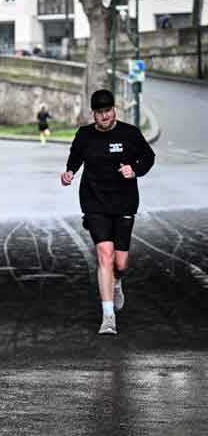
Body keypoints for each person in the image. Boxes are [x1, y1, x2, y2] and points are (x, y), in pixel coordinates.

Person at [61, 89, 155, 335]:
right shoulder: (84, 136)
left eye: (108, 111)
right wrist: (69, 172)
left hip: (124, 202)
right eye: (99, 113)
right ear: (94, 114)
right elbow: (75, 157)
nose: (104, 116)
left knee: (120, 263)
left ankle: (118, 281)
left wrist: (134, 170)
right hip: (94, 202)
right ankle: (108, 316)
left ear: (115, 110)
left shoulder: (130, 134)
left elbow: (148, 157)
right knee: (105, 253)